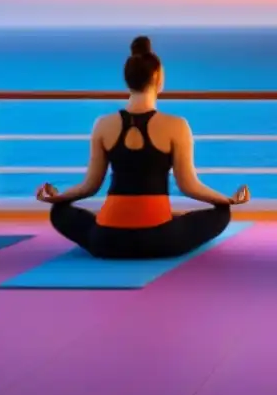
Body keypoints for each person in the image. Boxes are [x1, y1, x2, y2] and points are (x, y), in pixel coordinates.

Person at [34, 36, 250, 259]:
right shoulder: (176, 125)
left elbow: (89, 187)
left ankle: (117, 224)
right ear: (157, 78)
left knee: (60, 212)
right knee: (221, 214)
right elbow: (189, 186)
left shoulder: (103, 124)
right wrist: (228, 200)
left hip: (106, 240)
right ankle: (170, 220)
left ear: (128, 80)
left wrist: (57, 199)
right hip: (159, 240)